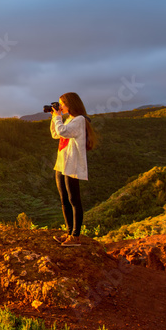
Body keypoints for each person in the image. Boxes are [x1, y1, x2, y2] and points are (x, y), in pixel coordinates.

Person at [49, 92, 97, 246]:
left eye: (61, 103)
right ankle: (69, 232)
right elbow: (56, 134)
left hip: (72, 164)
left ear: (70, 104)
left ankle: (75, 236)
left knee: (74, 199)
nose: (60, 107)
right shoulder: (70, 119)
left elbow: (62, 131)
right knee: (64, 200)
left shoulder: (79, 120)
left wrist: (57, 117)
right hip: (62, 163)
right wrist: (54, 117)